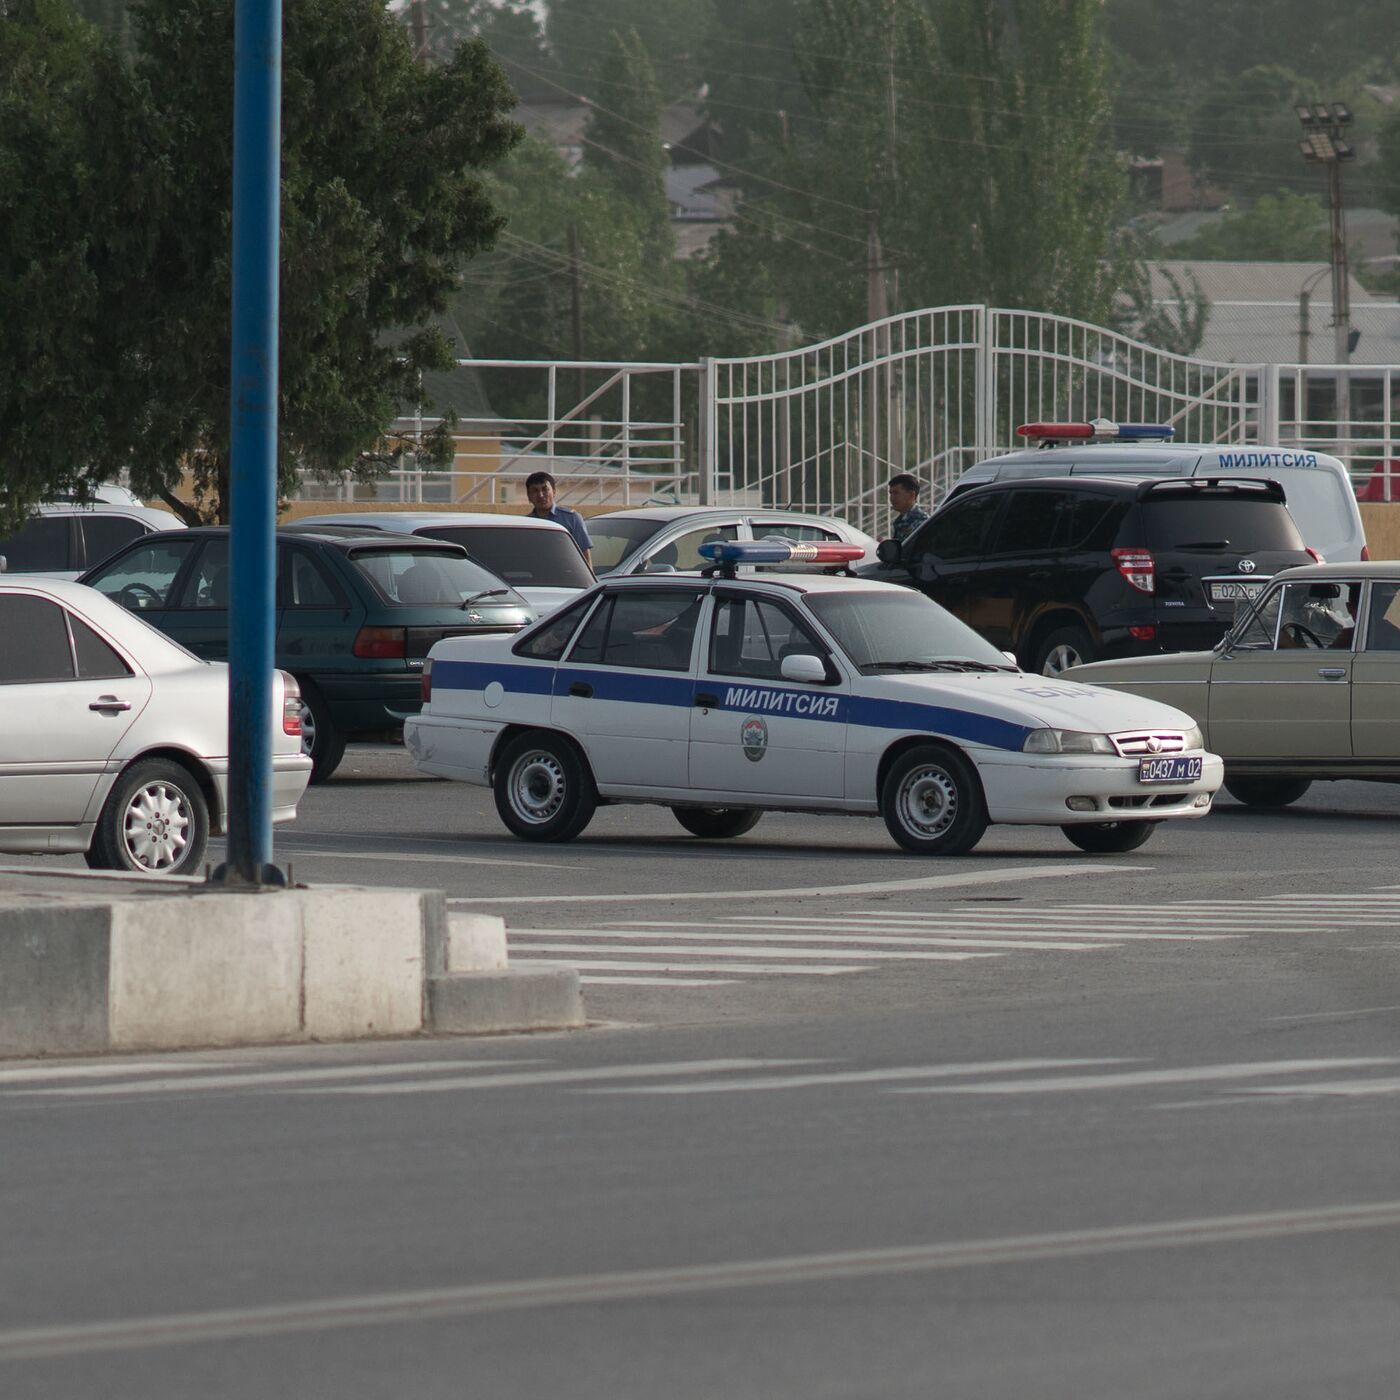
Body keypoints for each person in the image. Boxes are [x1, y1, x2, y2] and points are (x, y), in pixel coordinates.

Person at [524, 470, 593, 569]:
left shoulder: (572, 518)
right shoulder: (526, 524)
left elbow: (584, 554)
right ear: (529, 497)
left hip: (567, 577)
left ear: (554, 492)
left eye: (545, 489)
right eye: (535, 491)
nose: (541, 495)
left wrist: (589, 583)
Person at [886, 473, 928, 544]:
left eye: (896, 493)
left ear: (911, 495)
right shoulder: (901, 521)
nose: (892, 498)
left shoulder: (922, 523)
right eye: (891, 493)